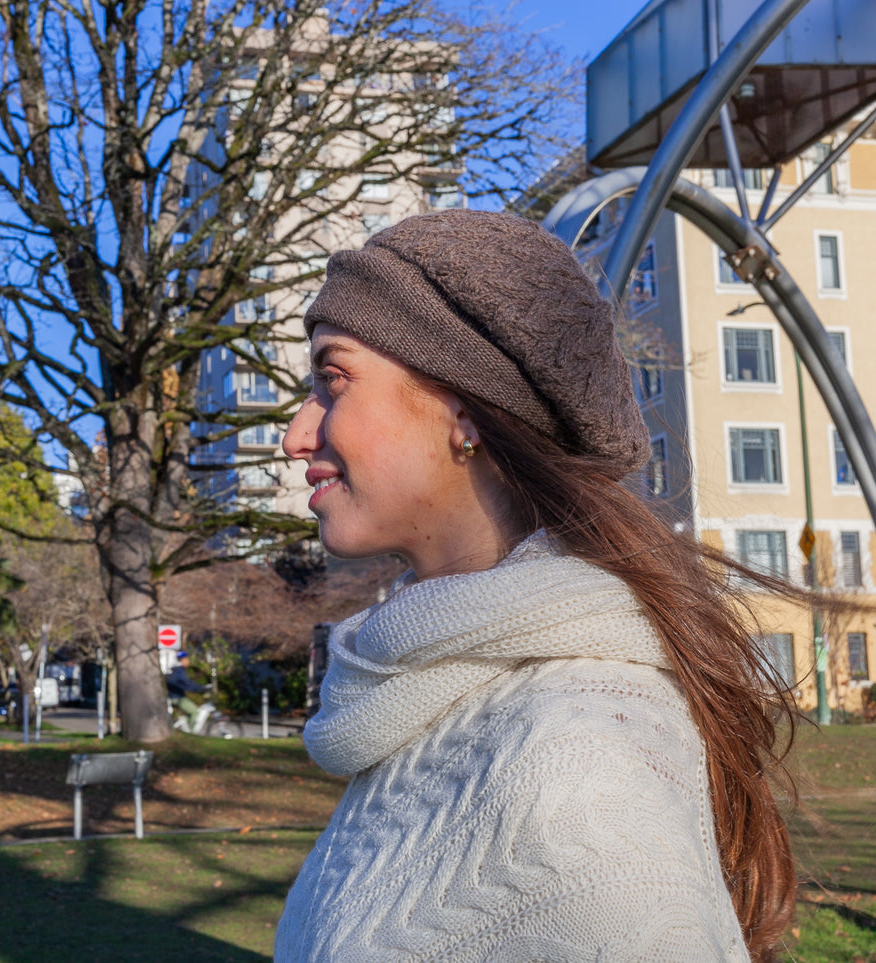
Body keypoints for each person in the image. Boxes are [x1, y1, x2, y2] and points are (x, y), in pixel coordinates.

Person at [274, 210, 802, 962]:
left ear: (463, 408)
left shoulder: (575, 760)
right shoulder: (428, 698)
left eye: (333, 379)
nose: (297, 434)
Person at [165, 653, 209, 731]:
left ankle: (183, 723)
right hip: (176, 697)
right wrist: (200, 688)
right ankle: (192, 732)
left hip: (174, 696)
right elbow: (186, 683)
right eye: (187, 659)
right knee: (195, 712)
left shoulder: (174, 669)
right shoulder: (179, 670)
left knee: (192, 712)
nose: (188, 661)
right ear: (182, 660)